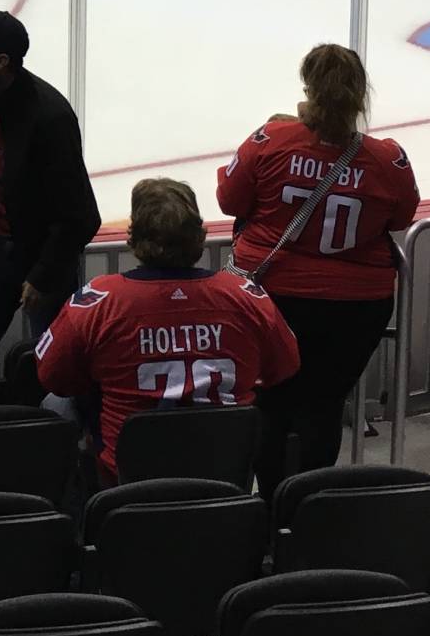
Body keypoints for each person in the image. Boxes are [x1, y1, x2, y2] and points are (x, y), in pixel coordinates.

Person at [217, 44, 418, 491]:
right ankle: (308, 504)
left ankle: (269, 506)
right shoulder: (388, 158)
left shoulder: (270, 139)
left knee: (270, 400)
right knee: (323, 404)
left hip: (274, 296)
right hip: (357, 306)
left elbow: (229, 199)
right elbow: (402, 217)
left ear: (308, 88)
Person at [35, 177, 300, 488]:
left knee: (56, 403)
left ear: (131, 237)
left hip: (128, 480)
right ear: (200, 236)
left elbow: (52, 376)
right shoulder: (245, 296)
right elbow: (285, 366)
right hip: (223, 474)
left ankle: (78, 515)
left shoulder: (98, 300)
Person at [0, 10, 100, 355]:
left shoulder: (51, 117)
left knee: (57, 360)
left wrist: (43, 276)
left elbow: (81, 216)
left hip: (43, 256)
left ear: (0, 61)